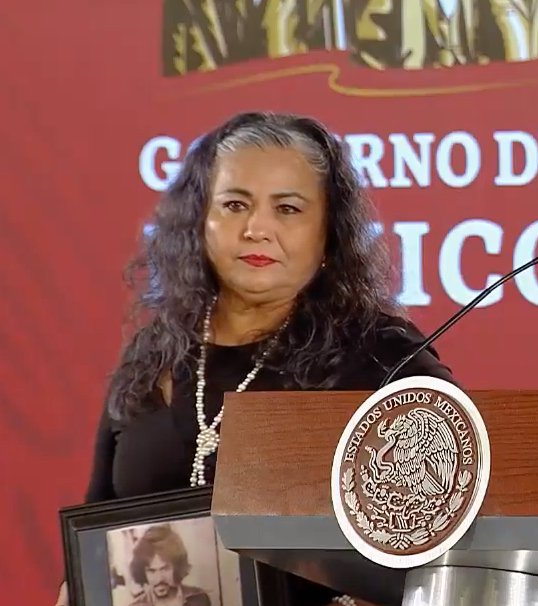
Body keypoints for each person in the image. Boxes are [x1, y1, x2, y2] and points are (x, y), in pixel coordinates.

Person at [54, 111, 454, 606]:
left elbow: (452, 545)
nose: (257, 228)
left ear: (328, 233)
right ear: (200, 221)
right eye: (235, 204)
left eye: (287, 209)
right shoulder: (153, 351)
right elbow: (94, 544)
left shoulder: (383, 355)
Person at [127, 525, 211, 606]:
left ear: (177, 567)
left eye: (165, 569)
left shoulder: (199, 600)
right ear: (142, 572)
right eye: (152, 571)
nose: (159, 579)